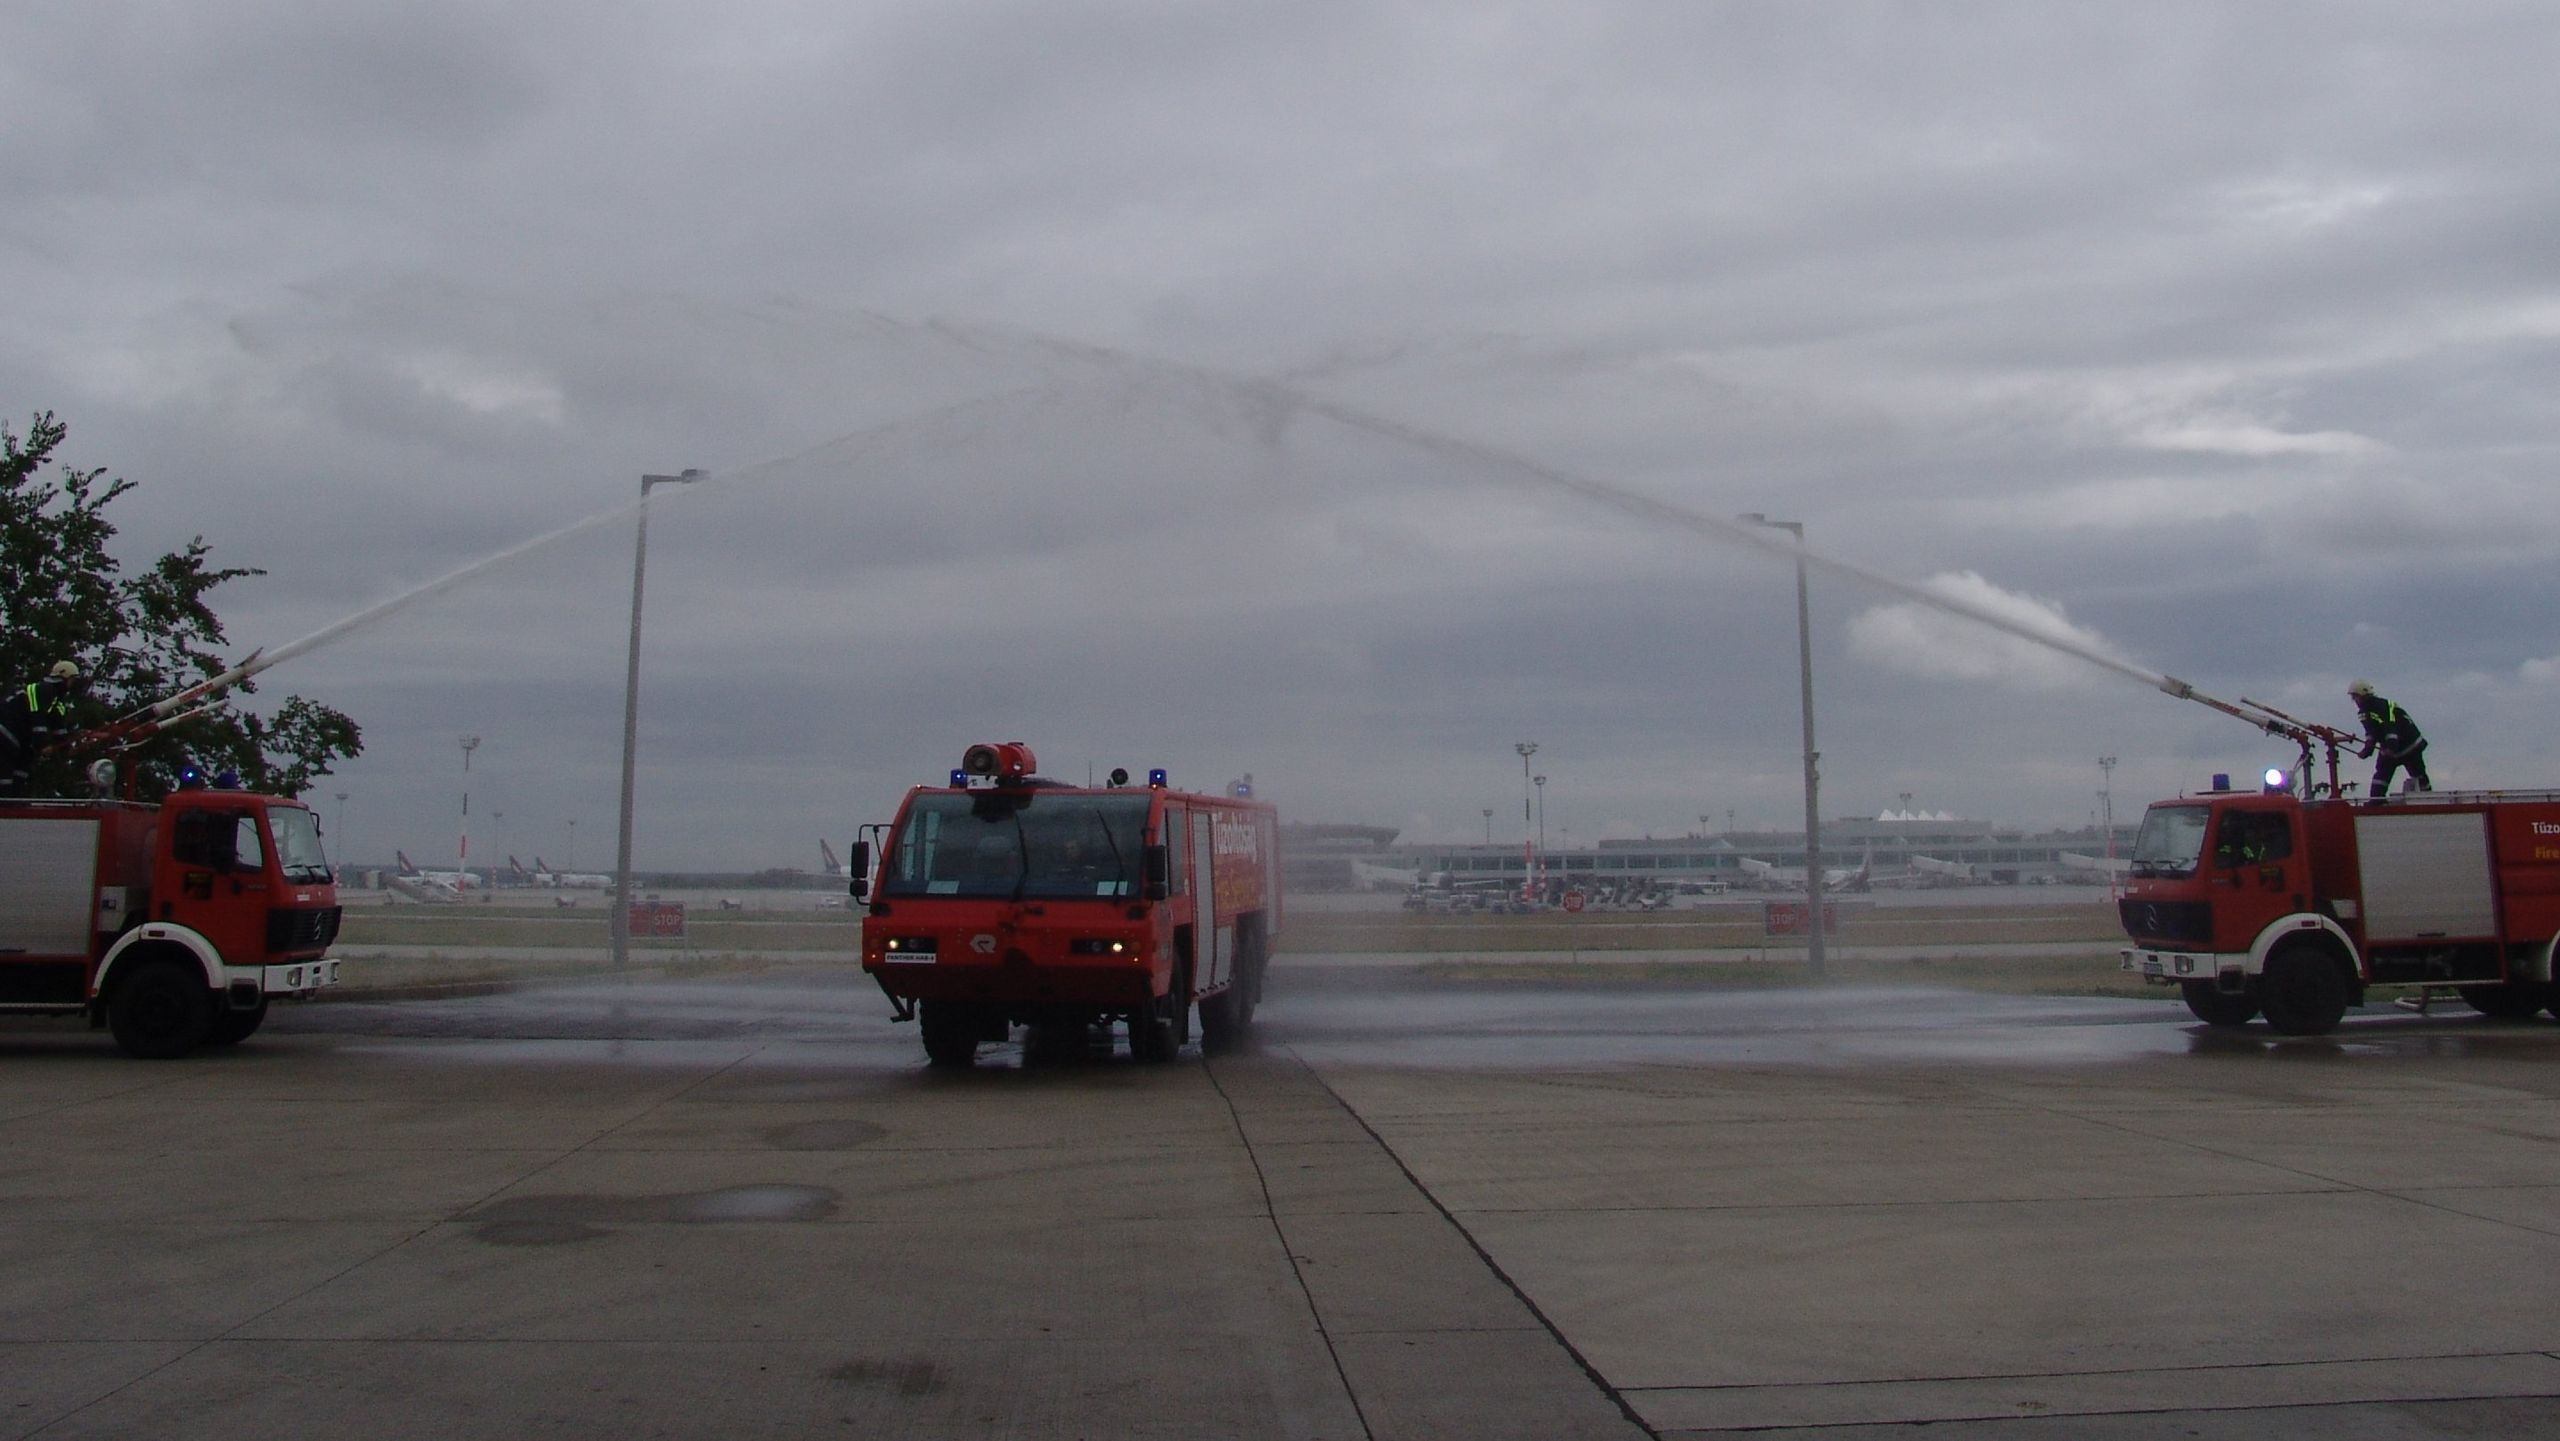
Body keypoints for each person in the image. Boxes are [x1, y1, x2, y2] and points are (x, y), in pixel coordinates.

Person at [0, 660, 84, 798]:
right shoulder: (42, 690)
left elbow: (59, 727)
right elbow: (38, 721)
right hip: (5, 732)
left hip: (18, 736)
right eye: (72, 679)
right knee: (6, 769)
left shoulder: (56, 700)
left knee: (23, 764)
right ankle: (6, 801)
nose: (73, 684)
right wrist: (43, 746)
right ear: (65, 677)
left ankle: (15, 800)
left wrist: (66, 748)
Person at [2349, 679, 2430, 797]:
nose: (2354, 700)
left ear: (2364, 694)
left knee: (2417, 774)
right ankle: (2376, 801)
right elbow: (2371, 733)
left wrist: (2390, 747)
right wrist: (2367, 750)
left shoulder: (2382, 706)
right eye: (2353, 697)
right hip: (2393, 747)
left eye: (2356, 696)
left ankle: (2428, 798)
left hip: (2409, 746)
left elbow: (2390, 727)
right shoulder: (2364, 712)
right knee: (2382, 774)